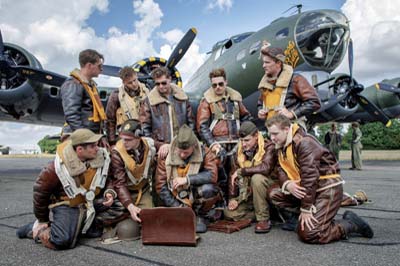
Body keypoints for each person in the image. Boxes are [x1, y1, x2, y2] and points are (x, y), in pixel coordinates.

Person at [265, 115, 373, 244]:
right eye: (270, 134)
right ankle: (299, 219)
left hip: (326, 187)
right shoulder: (281, 144)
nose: (272, 138)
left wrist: (306, 209)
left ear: (287, 129)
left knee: (310, 234)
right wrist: (288, 184)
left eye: (275, 134)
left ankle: (351, 223)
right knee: (274, 193)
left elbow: (310, 177)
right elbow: (280, 168)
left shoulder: (304, 142)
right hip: (308, 189)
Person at [16, 129, 115, 249]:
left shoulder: (99, 159)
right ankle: (34, 229)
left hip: (90, 201)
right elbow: (40, 194)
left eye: (96, 145)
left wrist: (109, 192)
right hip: (68, 204)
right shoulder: (55, 168)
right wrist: (43, 220)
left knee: (119, 207)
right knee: (62, 240)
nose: (97, 148)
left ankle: (83, 227)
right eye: (93, 146)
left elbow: (107, 178)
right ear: (79, 150)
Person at [196, 68, 253, 199]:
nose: (218, 87)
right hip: (216, 145)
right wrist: (213, 145)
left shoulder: (236, 99)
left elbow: (246, 117)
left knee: (237, 176)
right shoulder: (206, 102)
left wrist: (245, 137)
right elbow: (202, 127)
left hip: (236, 144)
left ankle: (236, 203)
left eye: (220, 84)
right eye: (214, 85)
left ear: (226, 82)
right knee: (218, 177)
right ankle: (219, 205)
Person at [155, 125, 221, 233]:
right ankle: (183, 214)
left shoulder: (204, 151)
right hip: (175, 197)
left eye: (186, 152)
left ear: (194, 147)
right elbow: (161, 186)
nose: (182, 155)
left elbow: (212, 175)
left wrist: (187, 179)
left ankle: (200, 215)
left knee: (208, 189)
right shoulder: (166, 156)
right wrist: (178, 207)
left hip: (194, 193)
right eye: (179, 151)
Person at [101, 119, 156, 241]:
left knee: (148, 218)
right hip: (124, 191)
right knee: (120, 211)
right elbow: (119, 183)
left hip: (143, 190)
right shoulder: (117, 153)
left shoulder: (148, 145)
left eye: (128, 140)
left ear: (138, 138)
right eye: (122, 138)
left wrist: (166, 146)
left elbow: (159, 145)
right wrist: (130, 205)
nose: (124, 142)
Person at [224, 121, 278, 234]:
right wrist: (233, 198)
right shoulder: (239, 152)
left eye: (247, 140)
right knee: (229, 213)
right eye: (242, 140)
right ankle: (264, 211)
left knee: (257, 178)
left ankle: (263, 219)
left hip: (269, 186)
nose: (243, 144)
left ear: (257, 136)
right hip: (249, 193)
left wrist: (242, 171)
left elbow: (265, 168)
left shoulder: (269, 147)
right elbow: (233, 175)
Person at [257, 44, 321, 128]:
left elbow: (314, 102)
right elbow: (260, 104)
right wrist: (260, 111)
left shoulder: (295, 79)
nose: (264, 66)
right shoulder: (266, 84)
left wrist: (292, 114)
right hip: (273, 133)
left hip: (293, 131)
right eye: (263, 62)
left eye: (267, 62)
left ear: (278, 63)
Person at [140, 67, 195, 159]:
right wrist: (159, 145)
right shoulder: (148, 102)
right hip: (162, 151)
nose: (161, 86)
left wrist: (187, 144)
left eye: (164, 83)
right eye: (157, 84)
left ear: (170, 79)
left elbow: (191, 124)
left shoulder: (183, 98)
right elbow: (145, 130)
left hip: (183, 147)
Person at [60, 49, 106, 134]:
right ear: (89, 65)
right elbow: (72, 116)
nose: (101, 69)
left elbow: (97, 116)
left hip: (90, 137)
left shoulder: (91, 86)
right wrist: (84, 138)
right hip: (79, 140)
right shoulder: (73, 84)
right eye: (99, 66)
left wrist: (101, 136)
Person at [105, 67, 149, 146]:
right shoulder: (116, 96)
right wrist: (112, 142)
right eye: (130, 83)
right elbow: (110, 121)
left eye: (135, 80)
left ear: (136, 76)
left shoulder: (147, 91)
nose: (134, 84)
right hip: (125, 137)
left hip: (145, 134)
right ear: (124, 82)